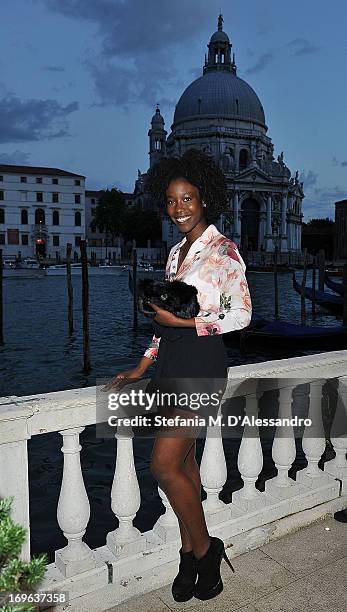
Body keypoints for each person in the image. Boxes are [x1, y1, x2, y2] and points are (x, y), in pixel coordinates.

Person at [103, 149, 252, 601]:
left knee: (163, 464)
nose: (179, 208)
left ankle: (207, 549)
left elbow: (242, 316)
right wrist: (143, 364)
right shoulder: (174, 253)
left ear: (204, 199)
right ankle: (189, 554)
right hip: (170, 365)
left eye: (187, 198)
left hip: (203, 363)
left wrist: (186, 324)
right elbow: (161, 322)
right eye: (171, 200)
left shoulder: (224, 250)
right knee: (183, 463)